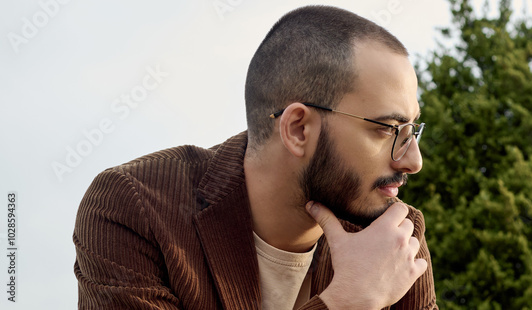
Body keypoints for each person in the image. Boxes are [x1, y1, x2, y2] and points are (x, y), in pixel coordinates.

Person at [73, 5, 436, 309]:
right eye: (388, 128)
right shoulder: (134, 208)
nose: (413, 162)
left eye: (411, 131)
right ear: (298, 129)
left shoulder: (395, 239)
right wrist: (349, 300)